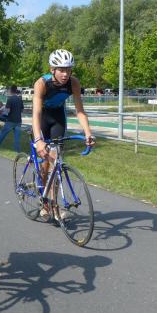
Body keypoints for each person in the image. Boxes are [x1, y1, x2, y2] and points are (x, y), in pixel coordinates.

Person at [32, 49, 95, 218]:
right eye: (61, 69)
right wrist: (38, 140)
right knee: (45, 163)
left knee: (56, 162)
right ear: (52, 69)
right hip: (43, 118)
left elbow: (80, 111)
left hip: (58, 117)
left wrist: (88, 133)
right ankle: (44, 200)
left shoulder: (73, 83)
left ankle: (54, 205)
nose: (65, 74)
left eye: (68, 69)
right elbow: (36, 113)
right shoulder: (42, 83)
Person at [0, 85, 24, 153]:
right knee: (17, 137)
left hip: (10, 120)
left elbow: (7, 111)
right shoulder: (20, 99)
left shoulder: (10, 99)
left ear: (10, 90)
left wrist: (2, 115)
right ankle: (17, 151)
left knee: (2, 134)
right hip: (18, 121)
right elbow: (22, 110)